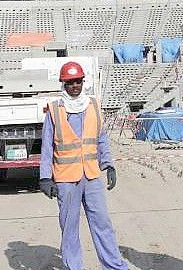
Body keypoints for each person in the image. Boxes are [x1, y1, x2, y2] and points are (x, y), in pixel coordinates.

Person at [39, 61, 128, 270]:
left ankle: (114, 266)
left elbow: (102, 138)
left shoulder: (93, 106)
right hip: (66, 179)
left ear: (83, 82)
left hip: (91, 176)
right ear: (63, 84)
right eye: (70, 83)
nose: (74, 86)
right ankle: (73, 266)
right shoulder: (54, 110)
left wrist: (109, 164)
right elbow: (46, 146)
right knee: (69, 228)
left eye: (77, 81)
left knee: (102, 224)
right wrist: (45, 177)